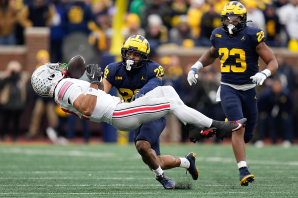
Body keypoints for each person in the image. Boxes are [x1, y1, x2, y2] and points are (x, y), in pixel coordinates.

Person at [31, 62, 245, 190]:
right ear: (50, 76)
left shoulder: (60, 92)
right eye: (51, 69)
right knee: (170, 103)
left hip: (119, 110)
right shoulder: (64, 86)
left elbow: (88, 101)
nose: (55, 67)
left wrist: (93, 85)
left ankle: (193, 128)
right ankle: (218, 127)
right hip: (118, 113)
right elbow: (86, 107)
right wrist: (95, 82)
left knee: (167, 92)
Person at [187, 1, 278, 186]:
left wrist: (265, 73)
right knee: (238, 126)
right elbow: (213, 53)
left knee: (248, 133)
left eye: (234, 18)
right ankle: (243, 170)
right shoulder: (218, 34)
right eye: (227, 18)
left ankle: (211, 131)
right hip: (228, 87)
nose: (230, 22)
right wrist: (196, 66)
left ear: (243, 19)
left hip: (249, 89)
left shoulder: (253, 35)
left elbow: (273, 61)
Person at [103, 35, 190, 189]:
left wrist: (141, 93)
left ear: (144, 57)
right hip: (136, 116)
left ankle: (162, 178)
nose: (131, 57)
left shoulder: (153, 69)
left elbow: (155, 83)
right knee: (156, 161)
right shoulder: (113, 69)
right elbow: (102, 93)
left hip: (153, 113)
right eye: (129, 53)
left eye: (136, 55)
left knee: (142, 146)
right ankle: (187, 162)